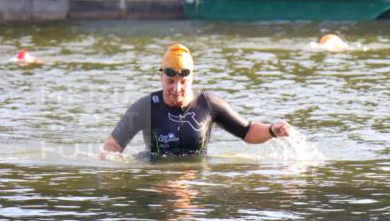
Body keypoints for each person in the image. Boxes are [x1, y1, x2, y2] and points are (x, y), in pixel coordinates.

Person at [100, 44, 292, 158]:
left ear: (192, 79)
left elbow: (247, 131)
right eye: (170, 82)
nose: (176, 89)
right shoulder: (146, 107)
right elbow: (113, 147)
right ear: (161, 78)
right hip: (156, 180)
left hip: (194, 180)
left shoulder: (208, 104)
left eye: (183, 82)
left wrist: (271, 130)